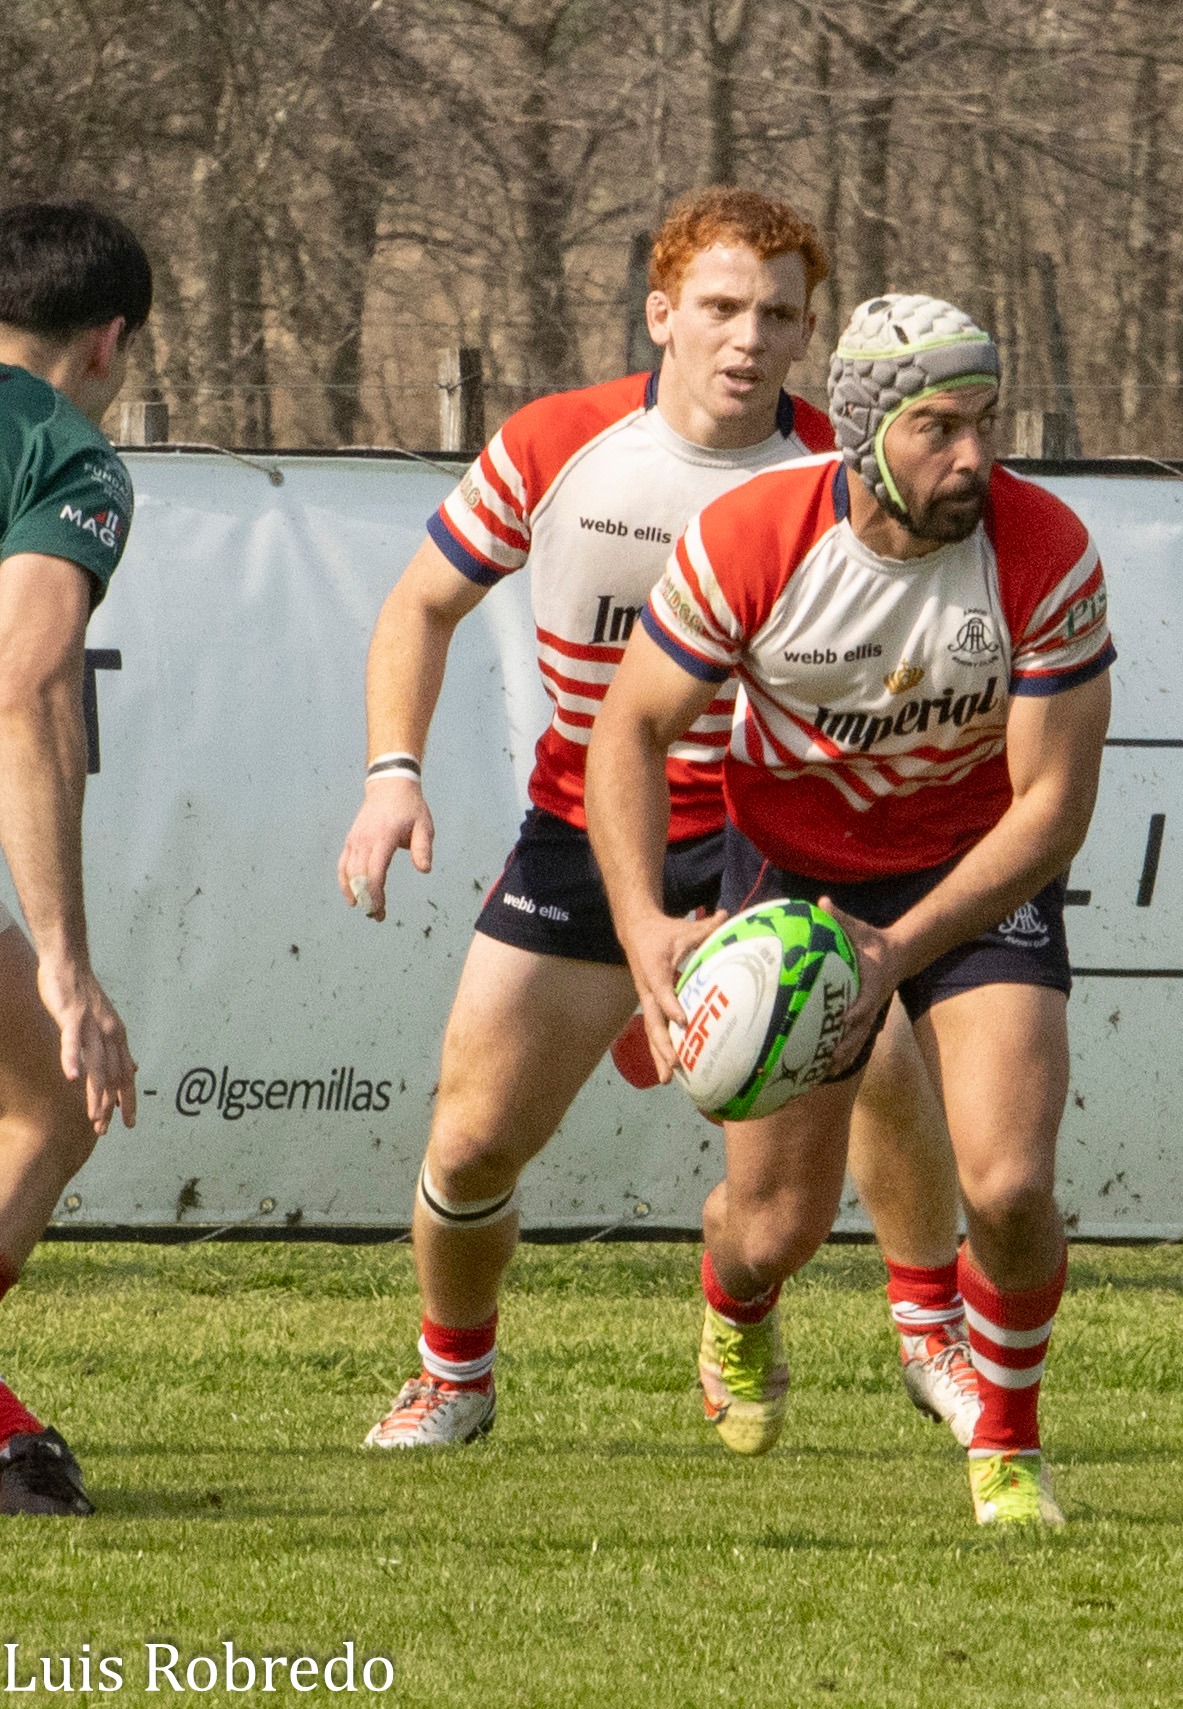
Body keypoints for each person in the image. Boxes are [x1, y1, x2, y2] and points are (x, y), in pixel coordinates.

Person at [339, 190, 979, 1451]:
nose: (749, 337)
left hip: (774, 838)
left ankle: (924, 1325)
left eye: (780, 315)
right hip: (585, 837)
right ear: (661, 313)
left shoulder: (839, 477)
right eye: (723, 306)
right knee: (468, 1145)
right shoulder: (557, 444)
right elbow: (419, 606)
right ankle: (452, 1375)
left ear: (810, 340)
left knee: (875, 1061)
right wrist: (391, 771)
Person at [587, 293, 1113, 1524]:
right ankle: (737, 1303)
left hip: (975, 880)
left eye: (985, 422)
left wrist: (898, 948)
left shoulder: (1044, 547)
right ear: (870, 430)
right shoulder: (754, 536)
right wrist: (642, 925)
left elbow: (1053, 808)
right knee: (776, 1226)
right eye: (939, 427)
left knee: (1014, 1187)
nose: (973, 456)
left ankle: (1010, 1443)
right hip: (789, 879)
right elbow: (633, 725)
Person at [0, 201, 150, 1515]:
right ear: (107, 341)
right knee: (54, 1096)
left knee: (38, 1105)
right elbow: (32, 685)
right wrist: (65, 962)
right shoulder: (65, 452)